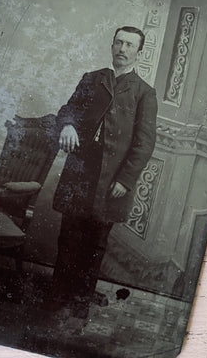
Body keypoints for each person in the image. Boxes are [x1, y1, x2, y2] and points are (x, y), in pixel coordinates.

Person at [48, 26, 158, 319]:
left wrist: (126, 179)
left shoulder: (144, 93)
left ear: (138, 52)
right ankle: (58, 299)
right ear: (112, 45)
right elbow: (67, 109)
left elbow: (144, 143)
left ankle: (80, 304)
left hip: (112, 179)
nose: (123, 48)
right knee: (69, 238)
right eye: (119, 42)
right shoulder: (92, 79)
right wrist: (68, 124)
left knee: (95, 244)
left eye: (130, 45)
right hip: (80, 172)